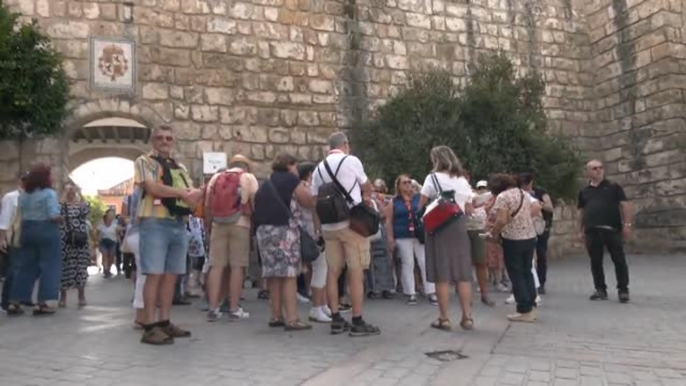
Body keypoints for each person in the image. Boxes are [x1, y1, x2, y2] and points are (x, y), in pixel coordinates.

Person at [135, 124, 203, 345]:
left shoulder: (179, 166)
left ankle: (164, 322)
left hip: (177, 223)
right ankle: (149, 326)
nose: (164, 141)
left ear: (173, 141)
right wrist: (184, 193)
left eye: (168, 138)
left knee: (171, 275)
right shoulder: (144, 161)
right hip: (154, 221)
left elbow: (191, 194)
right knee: (154, 274)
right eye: (160, 138)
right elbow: (152, 188)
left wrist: (198, 192)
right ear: (153, 141)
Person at [311, 131, 380, 337]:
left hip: (329, 226)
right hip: (352, 225)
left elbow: (315, 201)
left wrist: (319, 229)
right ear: (346, 144)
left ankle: (336, 319)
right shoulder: (351, 161)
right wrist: (366, 200)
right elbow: (366, 186)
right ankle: (357, 320)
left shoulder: (318, 169)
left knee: (333, 272)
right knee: (356, 272)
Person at [254, 154, 316, 331]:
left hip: (265, 232)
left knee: (274, 275)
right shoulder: (291, 179)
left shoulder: (268, 181)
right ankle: (293, 319)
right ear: (290, 166)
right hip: (284, 231)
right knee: (289, 275)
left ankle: (276, 315)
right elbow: (307, 201)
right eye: (295, 167)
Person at [419, 146, 474, 332]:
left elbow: (422, 204)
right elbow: (469, 208)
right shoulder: (462, 180)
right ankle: (467, 317)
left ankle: (444, 319)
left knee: (441, 274)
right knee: (462, 273)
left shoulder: (432, 178)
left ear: (436, 159)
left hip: (439, 227)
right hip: (458, 227)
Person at [205, 154, 258, 322]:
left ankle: (213, 308)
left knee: (216, 266)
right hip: (240, 223)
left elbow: (207, 204)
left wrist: (208, 226)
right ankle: (234, 308)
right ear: (246, 166)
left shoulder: (216, 177)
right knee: (237, 266)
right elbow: (254, 202)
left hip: (217, 224)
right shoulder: (248, 177)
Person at [8, 164, 63, 316]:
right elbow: (53, 214)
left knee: (26, 266)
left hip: (28, 230)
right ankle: (44, 303)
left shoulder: (24, 194)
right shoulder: (49, 193)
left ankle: (15, 301)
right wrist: (61, 218)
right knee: (50, 266)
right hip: (47, 230)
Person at [578, 159, 632, 303]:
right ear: (588, 172)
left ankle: (623, 290)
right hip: (592, 231)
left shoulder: (613, 187)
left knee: (619, 260)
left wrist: (627, 224)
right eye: (595, 168)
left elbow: (625, 205)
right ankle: (600, 289)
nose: (599, 170)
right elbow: (582, 211)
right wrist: (581, 229)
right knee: (595, 261)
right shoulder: (584, 191)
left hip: (612, 229)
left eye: (601, 168)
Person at [487, 173, 538, 323]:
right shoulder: (523, 193)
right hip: (529, 237)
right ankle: (532, 304)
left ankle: (524, 310)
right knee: (527, 271)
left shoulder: (503, 197)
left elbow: (502, 219)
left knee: (516, 274)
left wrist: (493, 232)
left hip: (513, 239)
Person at [386, 174, 437, 306]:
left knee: (424, 262)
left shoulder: (418, 198)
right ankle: (410, 293)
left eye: (409, 182)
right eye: (404, 183)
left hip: (418, 235)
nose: (408, 185)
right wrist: (390, 238)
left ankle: (430, 291)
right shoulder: (394, 202)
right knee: (407, 263)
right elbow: (389, 221)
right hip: (402, 235)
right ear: (398, 186)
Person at [296, 162, 332, 323]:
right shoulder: (306, 188)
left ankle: (322, 304)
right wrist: (319, 232)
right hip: (312, 231)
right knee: (320, 268)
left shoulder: (302, 187)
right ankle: (316, 307)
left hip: (308, 230)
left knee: (322, 268)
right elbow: (314, 206)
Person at [519, 173, 554, 294]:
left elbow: (550, 207)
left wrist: (538, 203)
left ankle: (541, 282)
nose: (525, 186)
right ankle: (528, 282)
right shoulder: (518, 192)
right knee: (525, 256)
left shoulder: (540, 191)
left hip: (540, 227)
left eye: (527, 183)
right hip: (525, 227)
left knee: (541, 254)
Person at [59, 182, 91, 308]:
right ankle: (63, 297)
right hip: (64, 239)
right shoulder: (63, 204)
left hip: (79, 240)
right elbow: (57, 208)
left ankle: (81, 296)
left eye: (73, 188)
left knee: (80, 268)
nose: (71, 191)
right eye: (69, 188)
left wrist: (80, 192)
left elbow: (86, 208)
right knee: (64, 268)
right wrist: (64, 193)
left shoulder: (80, 204)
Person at [0, 172, 27, 311]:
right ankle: (6, 300)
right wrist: (2, 239)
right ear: (19, 181)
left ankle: (21, 298)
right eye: (24, 179)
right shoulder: (10, 197)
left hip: (28, 237)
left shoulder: (32, 197)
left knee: (26, 269)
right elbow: (4, 220)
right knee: (13, 269)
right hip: (14, 236)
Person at [468, 180, 495, 306]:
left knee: (481, 262)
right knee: (463, 263)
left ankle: (484, 294)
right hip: (462, 230)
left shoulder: (475, 194)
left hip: (478, 229)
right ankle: (466, 295)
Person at [97, 209, 121, 278]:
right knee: (105, 255)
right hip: (103, 242)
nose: (110, 218)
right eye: (108, 216)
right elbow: (97, 233)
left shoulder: (115, 224)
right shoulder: (101, 224)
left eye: (111, 215)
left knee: (111, 256)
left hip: (112, 242)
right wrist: (97, 240)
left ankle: (109, 268)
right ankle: (106, 269)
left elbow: (119, 230)